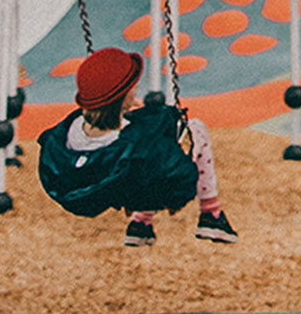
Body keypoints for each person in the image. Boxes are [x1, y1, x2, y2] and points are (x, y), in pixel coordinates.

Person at [38, 47, 238, 247]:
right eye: (132, 87)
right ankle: (210, 214)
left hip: (96, 180)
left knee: (148, 153)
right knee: (192, 132)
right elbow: (175, 174)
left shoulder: (70, 132)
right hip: (132, 183)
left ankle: (140, 224)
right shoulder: (131, 143)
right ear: (123, 96)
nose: (135, 91)